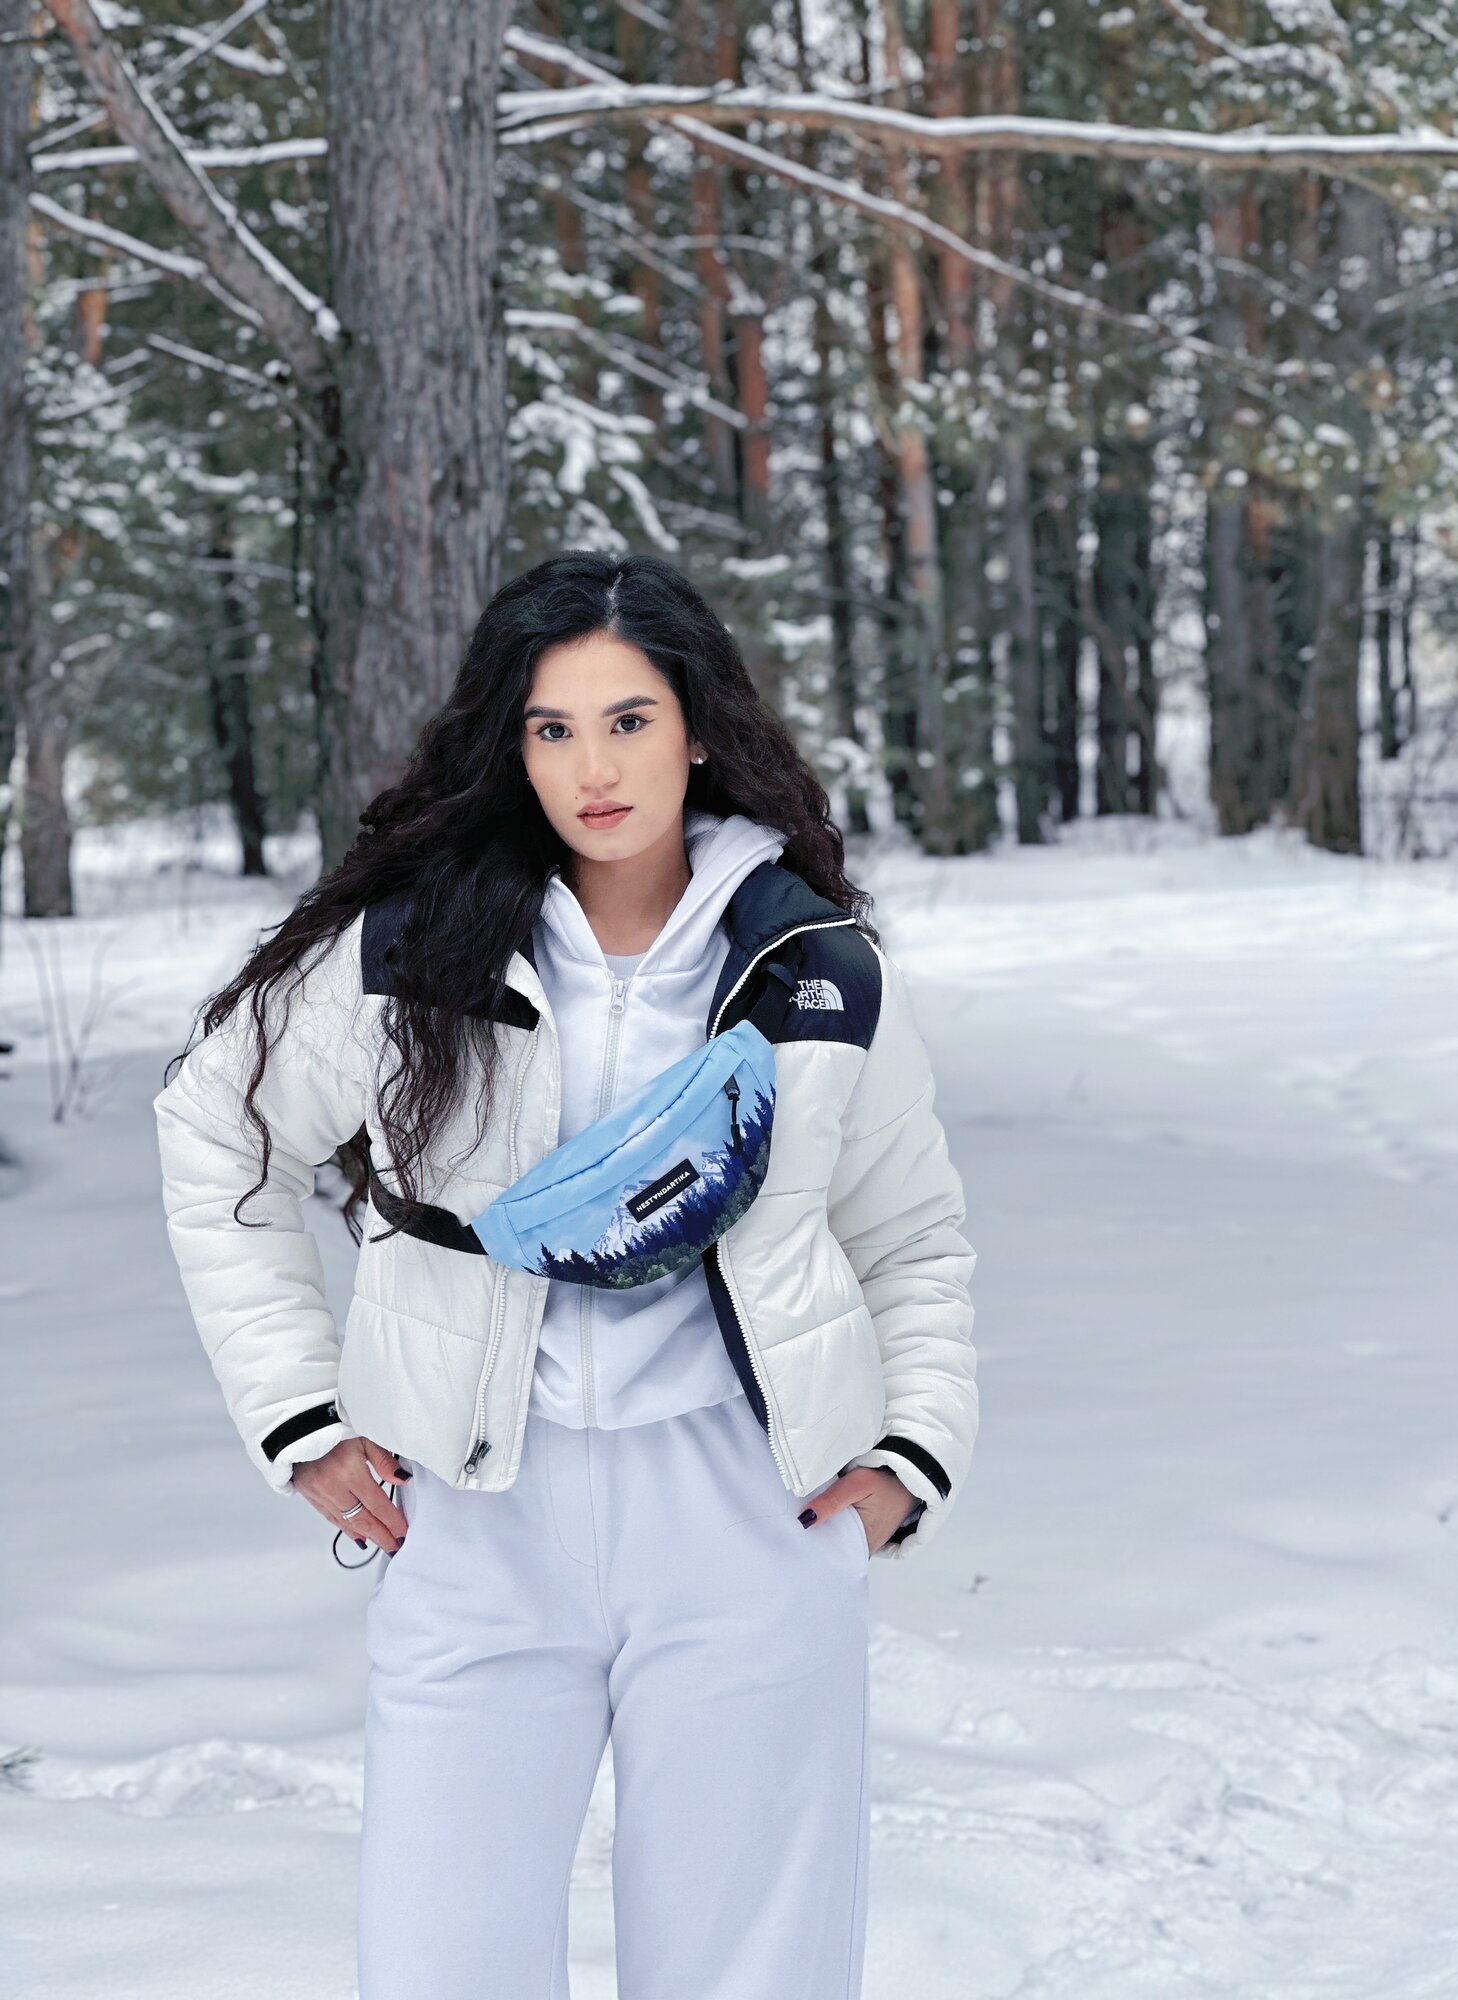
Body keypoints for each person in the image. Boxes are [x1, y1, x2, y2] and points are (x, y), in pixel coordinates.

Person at [153, 550, 979, 2000]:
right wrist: (299, 1414)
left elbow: (908, 1236)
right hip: (478, 1516)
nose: (593, 768)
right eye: (552, 728)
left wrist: (909, 1459)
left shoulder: (813, 965)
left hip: (743, 1515)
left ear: (699, 728)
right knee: (442, 1962)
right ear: (511, 745)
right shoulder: (414, 949)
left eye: (629, 720)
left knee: (751, 1970)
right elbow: (218, 1128)